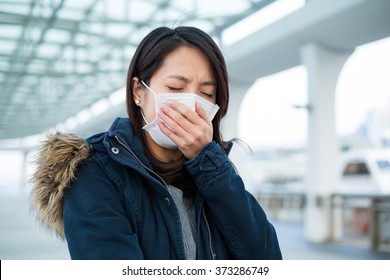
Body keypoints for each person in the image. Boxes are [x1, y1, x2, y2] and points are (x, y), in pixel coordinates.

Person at [30, 26, 282, 260]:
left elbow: (268, 258)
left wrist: (208, 162)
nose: (191, 105)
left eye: (206, 93)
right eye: (175, 87)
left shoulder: (215, 173)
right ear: (139, 92)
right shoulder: (94, 174)